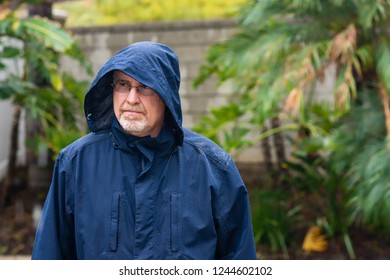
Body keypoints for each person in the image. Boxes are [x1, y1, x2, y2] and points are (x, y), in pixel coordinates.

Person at [31, 41, 257, 260]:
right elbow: (49, 259)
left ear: (166, 94)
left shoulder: (212, 167)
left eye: (144, 87)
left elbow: (240, 260)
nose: (131, 99)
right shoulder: (75, 163)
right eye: (123, 85)